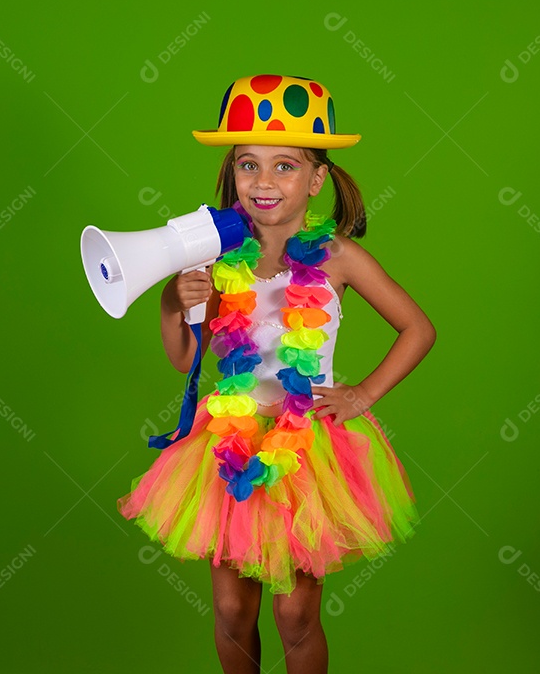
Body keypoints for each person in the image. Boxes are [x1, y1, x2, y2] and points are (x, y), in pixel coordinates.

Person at [118, 74, 435, 674]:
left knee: (295, 616)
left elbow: (418, 328)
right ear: (231, 174)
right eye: (248, 165)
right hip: (230, 443)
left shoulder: (339, 258)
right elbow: (188, 360)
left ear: (317, 179)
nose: (263, 183)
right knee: (233, 610)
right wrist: (171, 302)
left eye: (284, 166)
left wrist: (363, 394)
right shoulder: (210, 259)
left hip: (306, 450)